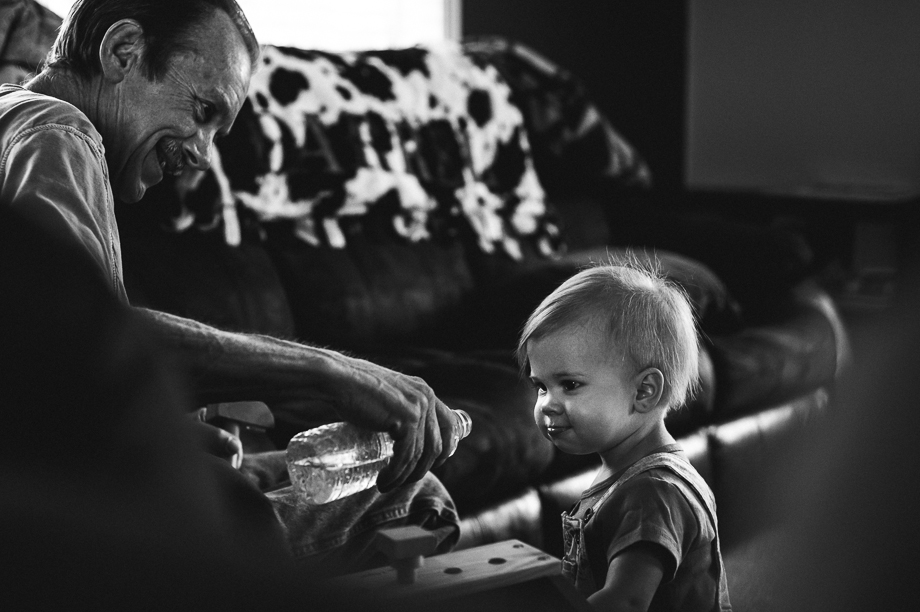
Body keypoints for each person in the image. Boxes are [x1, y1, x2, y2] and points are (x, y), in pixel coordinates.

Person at [0, 0, 460, 574]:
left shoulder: (15, 120)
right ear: (123, 52)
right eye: (202, 109)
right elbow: (73, 345)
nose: (200, 154)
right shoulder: (58, 132)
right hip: (84, 524)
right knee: (413, 494)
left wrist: (168, 434)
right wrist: (329, 371)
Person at [516, 260, 732, 611]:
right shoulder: (629, 472)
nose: (547, 405)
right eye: (541, 386)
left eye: (569, 385)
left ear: (644, 391)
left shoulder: (654, 492)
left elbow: (626, 601)